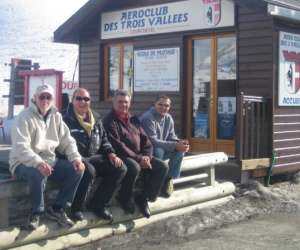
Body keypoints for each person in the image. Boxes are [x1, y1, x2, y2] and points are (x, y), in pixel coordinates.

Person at [9, 84, 85, 230]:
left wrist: (76, 158)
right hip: (22, 162)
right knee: (38, 172)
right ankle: (36, 212)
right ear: (35, 98)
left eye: (48, 97)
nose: (45, 100)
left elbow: (67, 141)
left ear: (52, 99)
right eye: (42, 96)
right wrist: (38, 162)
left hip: (49, 161)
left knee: (77, 170)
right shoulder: (23, 117)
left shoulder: (56, 117)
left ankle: (57, 209)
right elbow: (20, 147)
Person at [63, 88, 127, 221]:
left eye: (86, 99)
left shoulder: (96, 118)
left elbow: (104, 140)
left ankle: (98, 204)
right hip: (73, 157)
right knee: (89, 171)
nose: (83, 102)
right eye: (79, 98)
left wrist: (111, 153)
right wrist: (76, 158)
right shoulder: (64, 119)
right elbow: (61, 144)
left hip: (92, 156)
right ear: (72, 100)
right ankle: (76, 208)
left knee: (120, 168)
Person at [103, 89, 168, 218]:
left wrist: (147, 157)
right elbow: (118, 146)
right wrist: (139, 159)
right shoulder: (109, 121)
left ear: (130, 103)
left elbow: (146, 140)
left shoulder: (133, 119)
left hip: (140, 156)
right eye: (120, 102)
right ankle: (124, 198)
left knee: (162, 166)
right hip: (121, 156)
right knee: (134, 167)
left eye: (126, 102)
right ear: (114, 102)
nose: (123, 105)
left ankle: (143, 197)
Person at [140, 95, 190, 197]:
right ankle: (155, 180)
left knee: (180, 151)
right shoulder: (148, 117)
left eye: (166, 105)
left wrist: (180, 143)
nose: (163, 107)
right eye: (160, 104)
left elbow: (172, 136)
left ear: (169, 107)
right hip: (146, 151)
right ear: (154, 104)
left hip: (161, 148)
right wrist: (175, 145)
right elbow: (153, 141)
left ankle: (168, 180)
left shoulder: (168, 118)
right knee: (159, 150)